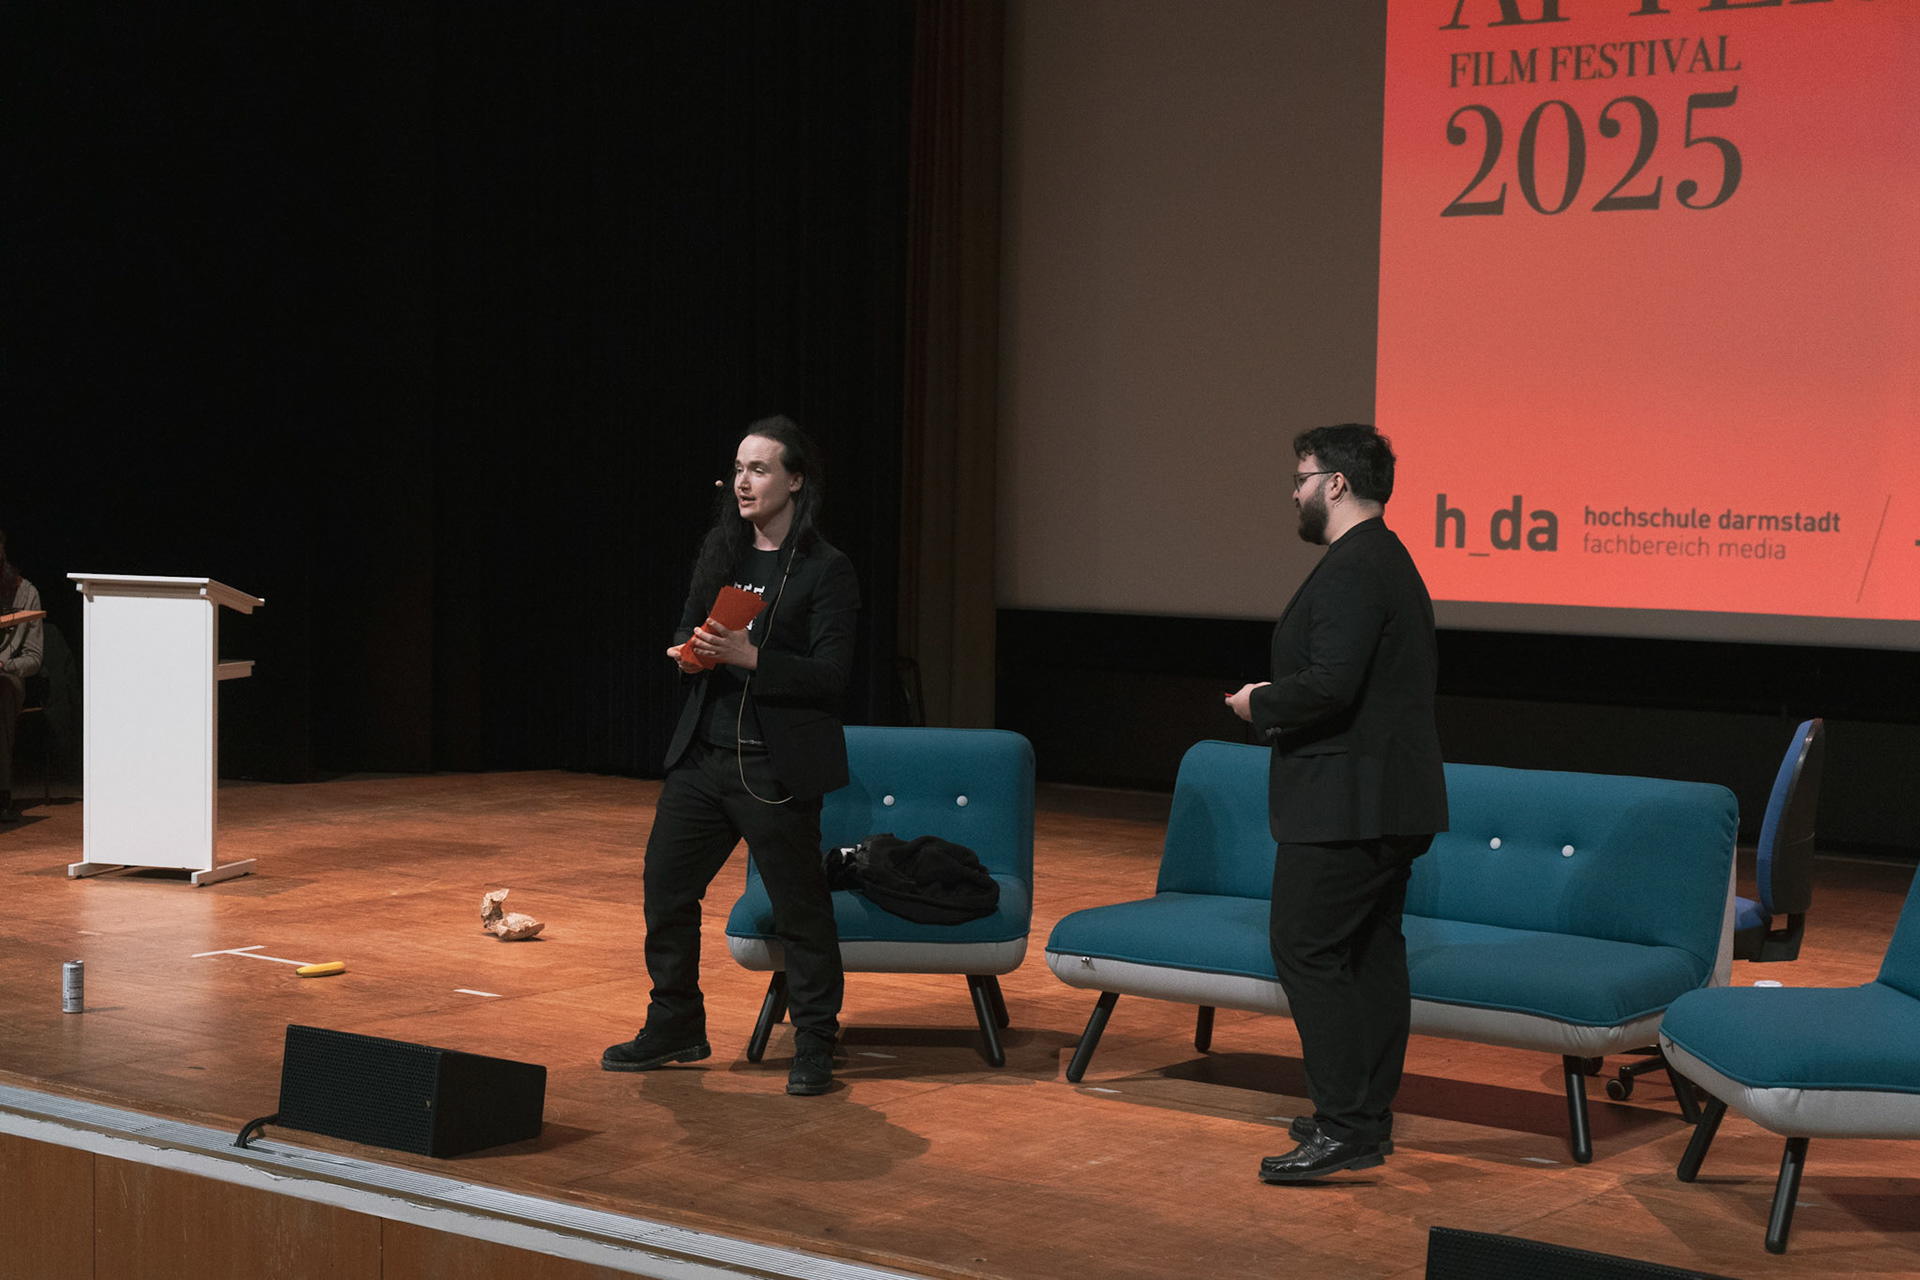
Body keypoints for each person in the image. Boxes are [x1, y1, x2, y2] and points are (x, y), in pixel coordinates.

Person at [602, 416, 860, 1096]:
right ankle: (676, 1023)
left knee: (800, 909)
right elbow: (689, 630)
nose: (743, 482)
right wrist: (689, 655)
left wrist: (752, 657)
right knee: (666, 889)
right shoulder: (723, 553)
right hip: (703, 759)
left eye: (760, 469)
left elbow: (832, 676)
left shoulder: (826, 569)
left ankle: (815, 1042)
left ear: (795, 480)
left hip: (773, 768)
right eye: (739, 469)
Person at [1225, 423, 1448, 1182]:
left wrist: (1260, 703)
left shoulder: (1357, 566)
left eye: (1301, 479)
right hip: (1383, 799)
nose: (1294, 493)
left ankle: (1345, 1123)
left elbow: (1331, 684)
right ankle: (1364, 1118)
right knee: (1369, 953)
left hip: (1349, 803)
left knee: (1306, 947)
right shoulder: (1381, 558)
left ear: (1337, 484)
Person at [0, 530, 45, 823]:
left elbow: (34, 658)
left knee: (2, 691)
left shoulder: (26, 594)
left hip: (7, 675)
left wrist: (5, 665)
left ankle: (2, 793)